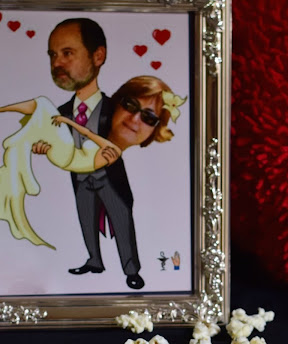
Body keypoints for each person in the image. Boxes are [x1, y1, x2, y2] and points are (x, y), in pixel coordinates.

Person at [0, 75, 185, 257]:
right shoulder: (76, 125)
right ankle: (95, 260)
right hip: (52, 220)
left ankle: (124, 268)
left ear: (156, 129)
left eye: (149, 117)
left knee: (119, 220)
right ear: (116, 104)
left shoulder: (150, 181)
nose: (135, 118)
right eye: (130, 105)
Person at [47, 17, 143, 289]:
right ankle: (94, 260)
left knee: (122, 222)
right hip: (80, 180)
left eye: (67, 53)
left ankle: (131, 270)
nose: (57, 63)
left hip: (109, 179)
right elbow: (59, 145)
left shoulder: (117, 109)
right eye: (53, 55)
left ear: (98, 56)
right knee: (86, 221)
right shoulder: (60, 113)